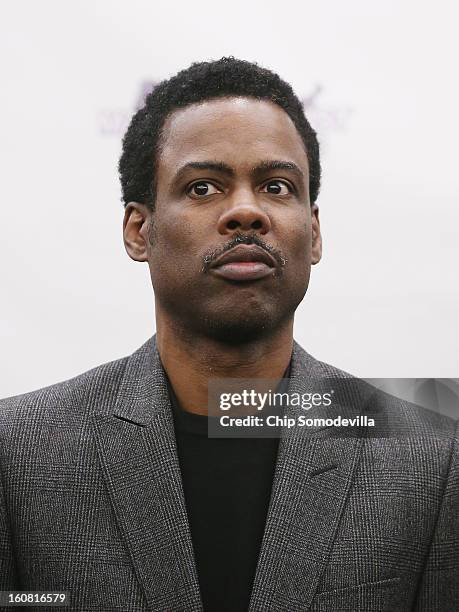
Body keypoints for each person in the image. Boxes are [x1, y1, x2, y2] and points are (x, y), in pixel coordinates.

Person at [0, 57, 457, 612]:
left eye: (276, 186)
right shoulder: (16, 449)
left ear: (312, 233)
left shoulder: (433, 454)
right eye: (202, 188)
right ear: (139, 230)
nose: (246, 212)